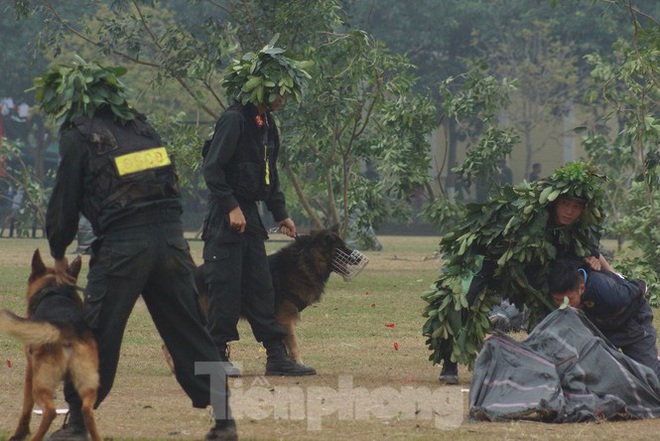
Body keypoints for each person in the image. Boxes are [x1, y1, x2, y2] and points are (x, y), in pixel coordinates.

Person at [33, 59, 236, 441]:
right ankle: (226, 419)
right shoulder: (141, 126)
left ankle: (77, 422)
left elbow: (65, 198)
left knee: (97, 334)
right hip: (172, 241)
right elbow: (171, 183)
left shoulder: (79, 134)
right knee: (189, 329)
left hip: (123, 247)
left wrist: (58, 251)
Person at [201, 42, 315, 377]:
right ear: (263, 89)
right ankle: (214, 356)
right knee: (225, 288)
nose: (284, 100)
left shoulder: (265, 124)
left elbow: (270, 174)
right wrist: (231, 207)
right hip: (226, 219)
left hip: (251, 217)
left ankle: (276, 357)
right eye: (280, 92)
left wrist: (280, 213)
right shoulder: (234, 120)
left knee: (260, 286)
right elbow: (213, 169)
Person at [438, 188, 612, 384]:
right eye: (565, 204)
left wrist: (610, 274)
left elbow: (593, 252)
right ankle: (449, 364)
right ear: (554, 202)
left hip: (533, 276)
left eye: (576, 207)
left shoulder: (577, 229)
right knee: (461, 302)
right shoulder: (530, 214)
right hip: (493, 267)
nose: (569, 212)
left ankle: (550, 363)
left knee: (554, 309)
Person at [549, 259, 660, 379]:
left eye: (569, 299)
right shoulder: (569, 286)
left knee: (649, 377)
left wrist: (640, 286)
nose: (563, 305)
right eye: (557, 300)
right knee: (594, 376)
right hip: (604, 328)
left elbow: (638, 288)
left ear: (581, 288)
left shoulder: (608, 293)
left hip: (632, 322)